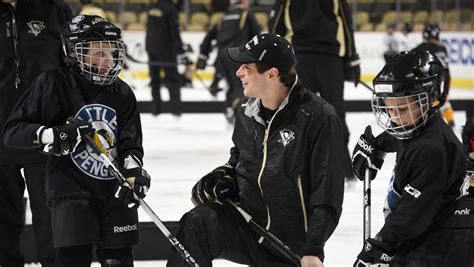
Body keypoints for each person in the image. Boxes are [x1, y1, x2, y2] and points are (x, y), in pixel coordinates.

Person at [167, 33, 345, 267]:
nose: (238, 72)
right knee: (199, 221)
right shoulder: (246, 112)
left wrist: (313, 249)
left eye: (247, 67)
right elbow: (241, 158)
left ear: (272, 74)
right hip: (248, 227)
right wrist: (225, 177)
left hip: (289, 247)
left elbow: (327, 193)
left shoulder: (318, 117)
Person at [3, 15, 151, 267]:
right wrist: (51, 135)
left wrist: (133, 170)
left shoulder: (122, 92)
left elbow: (130, 142)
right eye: (98, 53)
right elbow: (13, 132)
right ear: (73, 52)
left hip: (114, 190)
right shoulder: (53, 84)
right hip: (70, 189)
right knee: (73, 257)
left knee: (119, 259)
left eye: (111, 53)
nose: (107, 61)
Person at [351, 50, 474, 266]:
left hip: (440, 249)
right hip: (427, 239)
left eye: (402, 108)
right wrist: (377, 145)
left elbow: (410, 215)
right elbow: (403, 134)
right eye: (389, 108)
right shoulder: (418, 127)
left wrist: (380, 247)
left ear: (428, 100)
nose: (395, 116)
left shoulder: (431, 149)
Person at [0, 1, 73, 266]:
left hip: (45, 133)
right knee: (2, 221)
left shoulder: (54, 9)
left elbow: (72, 67)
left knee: (52, 218)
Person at [268, 0, 361, 182]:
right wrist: (352, 58)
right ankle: (340, 168)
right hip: (327, 59)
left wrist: (275, 57)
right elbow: (346, 22)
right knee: (332, 114)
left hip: (304, 57)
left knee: (299, 115)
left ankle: (301, 168)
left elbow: (276, 24)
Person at [195, 0, 261, 123]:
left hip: (221, 58)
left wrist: (203, 57)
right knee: (240, 86)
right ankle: (238, 113)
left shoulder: (223, 18)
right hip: (237, 56)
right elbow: (256, 38)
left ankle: (228, 108)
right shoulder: (246, 15)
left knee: (230, 86)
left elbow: (208, 38)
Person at [145, 0, 188, 117]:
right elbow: (174, 31)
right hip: (166, 49)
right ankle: (176, 109)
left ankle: (155, 109)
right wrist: (180, 50)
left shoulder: (152, 7)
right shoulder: (171, 9)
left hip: (151, 47)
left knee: (154, 79)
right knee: (172, 79)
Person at [412, 23, 455, 127]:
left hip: (434, 78)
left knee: (432, 100)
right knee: (444, 98)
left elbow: (410, 55)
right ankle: (451, 120)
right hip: (446, 77)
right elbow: (446, 67)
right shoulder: (442, 47)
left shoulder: (424, 47)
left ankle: (437, 123)